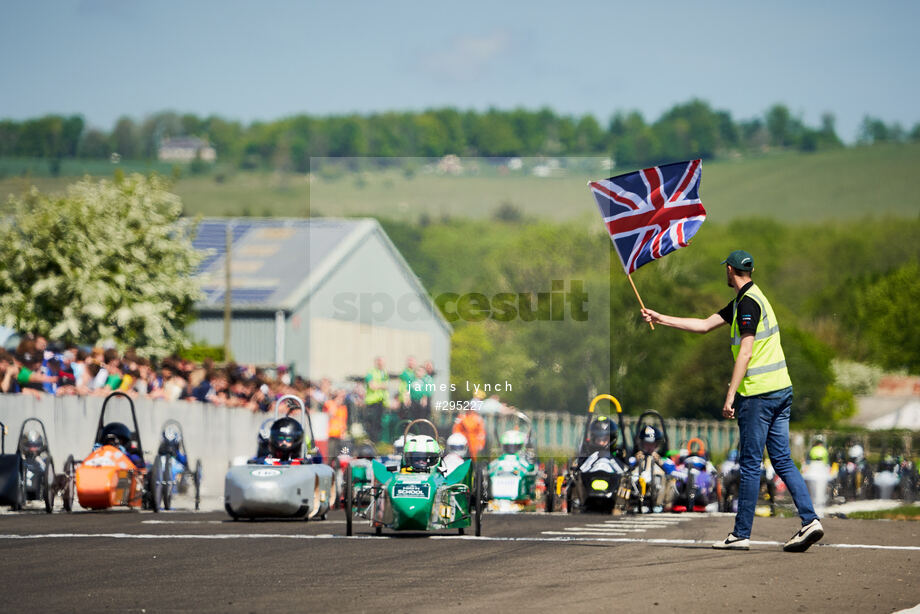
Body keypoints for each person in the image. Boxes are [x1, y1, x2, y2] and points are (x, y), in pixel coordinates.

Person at [641, 249, 822, 552]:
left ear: (729, 270)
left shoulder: (748, 304)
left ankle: (741, 533)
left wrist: (731, 394)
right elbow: (702, 325)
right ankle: (810, 520)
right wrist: (660, 318)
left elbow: (747, 351)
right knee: (781, 460)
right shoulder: (748, 298)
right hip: (781, 389)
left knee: (750, 464)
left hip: (758, 394)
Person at [364, 357, 389, 442]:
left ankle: (378, 443)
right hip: (372, 402)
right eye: (379, 362)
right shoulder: (371, 372)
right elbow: (372, 386)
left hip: (381, 402)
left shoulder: (384, 373)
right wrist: (382, 385)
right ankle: (372, 443)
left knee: (379, 425)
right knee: (372, 425)